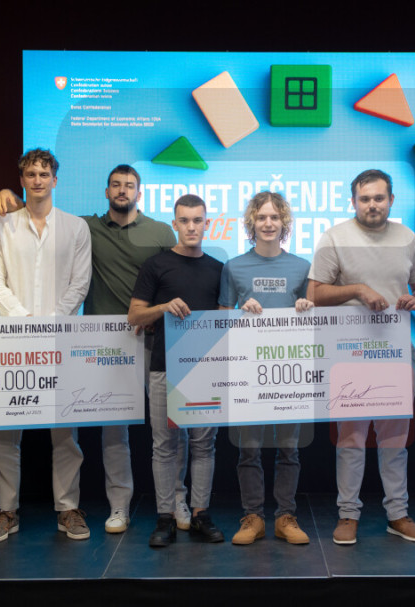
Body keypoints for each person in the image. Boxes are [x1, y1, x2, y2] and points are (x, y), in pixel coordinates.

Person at [0, 164, 192, 535]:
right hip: (105, 344)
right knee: (114, 434)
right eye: (115, 184)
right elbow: (38, 207)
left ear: (139, 193)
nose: (122, 190)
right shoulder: (85, 227)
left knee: (169, 427)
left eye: (129, 185)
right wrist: (10, 195)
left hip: (155, 338)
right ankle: (119, 507)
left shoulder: (161, 232)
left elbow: (175, 277)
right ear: (106, 191)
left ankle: (178, 499)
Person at [307, 169, 415, 545]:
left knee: (395, 440)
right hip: (349, 354)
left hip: (397, 353)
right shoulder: (334, 237)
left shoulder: (407, 237)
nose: (372, 205)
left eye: (379, 198)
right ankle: (348, 514)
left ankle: (398, 514)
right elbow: (314, 293)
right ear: (353, 201)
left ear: (391, 200)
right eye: (365, 199)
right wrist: (358, 290)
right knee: (351, 439)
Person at [0, 149, 92, 542]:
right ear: (22, 180)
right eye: (31, 174)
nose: (38, 180)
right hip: (10, 338)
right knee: (5, 431)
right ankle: (6, 510)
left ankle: (68, 508)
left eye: (44, 174)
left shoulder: (76, 227)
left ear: (55, 180)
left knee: (64, 431)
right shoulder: (0, 226)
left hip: (61, 338)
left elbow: (80, 283)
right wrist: (24, 320)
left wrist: (50, 322)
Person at [129, 194, 225, 547]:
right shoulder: (156, 265)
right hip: (163, 367)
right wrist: (163, 307)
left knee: (204, 445)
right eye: (184, 220)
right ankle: (165, 517)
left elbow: (225, 319)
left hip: (205, 370)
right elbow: (134, 315)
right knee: (164, 446)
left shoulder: (219, 269)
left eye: (197, 220)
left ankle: (200, 514)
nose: (191, 227)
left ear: (206, 224)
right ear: (175, 224)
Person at [218, 192, 314, 545]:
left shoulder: (302, 267)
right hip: (248, 371)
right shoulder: (234, 267)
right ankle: (253, 517)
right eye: (261, 217)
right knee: (249, 449)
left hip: (290, 370)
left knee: (289, 448)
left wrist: (306, 306)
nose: (268, 223)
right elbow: (221, 317)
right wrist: (240, 312)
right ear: (251, 223)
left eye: (275, 217)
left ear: (284, 222)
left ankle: (285, 516)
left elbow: (315, 319)